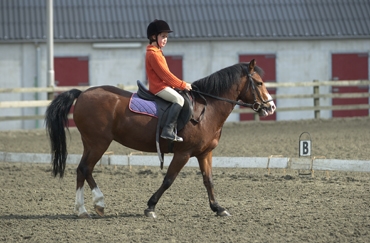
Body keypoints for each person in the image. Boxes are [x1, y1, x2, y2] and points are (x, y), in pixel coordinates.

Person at [145, 19, 192, 142]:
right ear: (154, 37)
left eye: (166, 37)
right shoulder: (154, 54)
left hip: (164, 86)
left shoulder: (158, 52)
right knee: (179, 99)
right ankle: (168, 130)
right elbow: (166, 75)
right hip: (158, 88)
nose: (165, 39)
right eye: (163, 36)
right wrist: (182, 84)